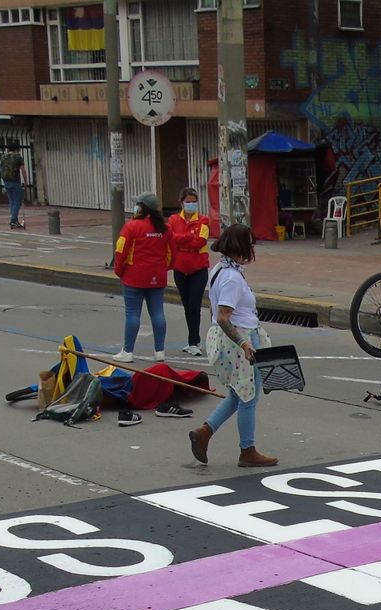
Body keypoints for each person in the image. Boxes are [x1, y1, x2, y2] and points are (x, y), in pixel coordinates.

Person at [189, 225, 278, 468]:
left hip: (232, 339)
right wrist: (244, 343)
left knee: (238, 394)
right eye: (248, 245)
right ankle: (247, 450)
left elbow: (215, 310)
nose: (251, 251)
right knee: (248, 396)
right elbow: (223, 316)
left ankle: (205, 432)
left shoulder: (220, 269)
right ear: (239, 248)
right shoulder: (231, 278)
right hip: (240, 340)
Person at [111, 192, 173, 366]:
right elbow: (171, 253)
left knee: (132, 314)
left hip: (134, 277)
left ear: (141, 207)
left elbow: (120, 251)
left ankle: (128, 351)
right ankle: (160, 351)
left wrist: (119, 271)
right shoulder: (165, 228)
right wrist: (162, 269)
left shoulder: (131, 227)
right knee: (158, 313)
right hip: (158, 276)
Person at [168, 187, 212, 356]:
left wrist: (181, 240)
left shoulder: (204, 220)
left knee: (195, 306)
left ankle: (194, 342)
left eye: (194, 202)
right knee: (187, 306)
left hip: (198, 269)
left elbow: (200, 241)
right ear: (181, 202)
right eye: (188, 202)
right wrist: (187, 236)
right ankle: (191, 340)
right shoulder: (173, 220)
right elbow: (171, 238)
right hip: (180, 270)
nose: (191, 204)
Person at [0, 141, 26, 230]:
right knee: (17, 200)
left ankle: (15, 220)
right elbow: (23, 170)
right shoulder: (18, 157)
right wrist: (25, 181)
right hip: (15, 181)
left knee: (12, 201)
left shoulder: (3, 157)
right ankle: (13, 220)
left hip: (6, 181)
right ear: (16, 149)